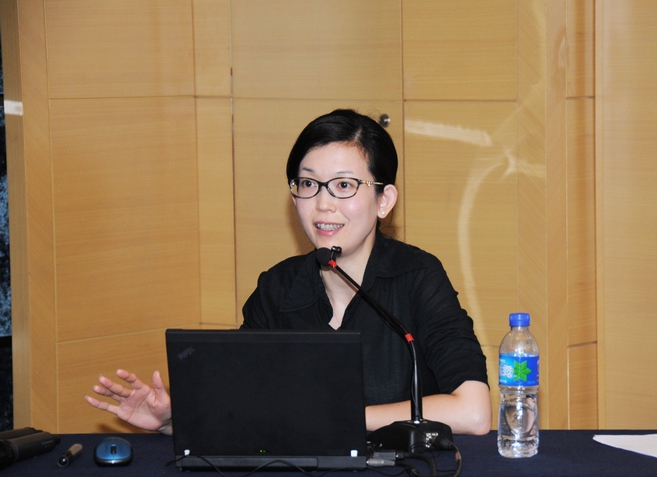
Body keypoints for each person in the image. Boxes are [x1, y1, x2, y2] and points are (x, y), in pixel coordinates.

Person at [86, 109, 492, 435]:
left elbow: (473, 412)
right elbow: (240, 410)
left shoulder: (418, 277)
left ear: (384, 200)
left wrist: (339, 418)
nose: (323, 204)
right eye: (308, 184)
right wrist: (174, 421)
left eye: (344, 186)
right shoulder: (278, 289)